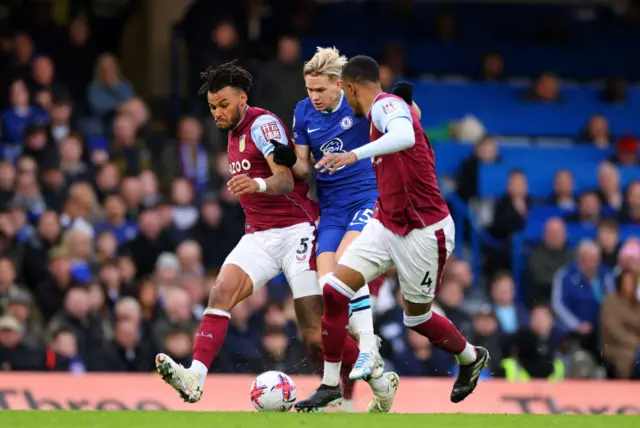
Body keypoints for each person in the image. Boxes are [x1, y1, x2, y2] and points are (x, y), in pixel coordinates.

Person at [153, 61, 389, 410]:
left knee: (313, 332)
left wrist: (258, 183)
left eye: (223, 105)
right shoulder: (233, 133)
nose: (217, 113)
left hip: (297, 231)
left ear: (243, 98)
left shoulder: (263, 125)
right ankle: (195, 377)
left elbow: (286, 179)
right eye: (212, 108)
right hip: (260, 235)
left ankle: (379, 376)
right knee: (220, 293)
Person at [295, 56, 489, 412]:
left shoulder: (386, 106)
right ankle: (330, 385)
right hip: (387, 223)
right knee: (336, 290)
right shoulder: (380, 113)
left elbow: (404, 134)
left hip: (425, 231)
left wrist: (353, 156)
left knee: (416, 318)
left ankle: (470, 356)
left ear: (350, 87)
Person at [271, 47, 415, 411]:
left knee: (350, 265)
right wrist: (288, 160)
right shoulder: (304, 112)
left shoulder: (358, 106)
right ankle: (380, 378)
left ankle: (367, 347)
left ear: (340, 85)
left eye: (320, 89)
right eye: (309, 89)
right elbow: (304, 168)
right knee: (329, 290)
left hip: (367, 199)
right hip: (332, 208)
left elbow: (403, 122)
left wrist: (406, 107)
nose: (313, 97)